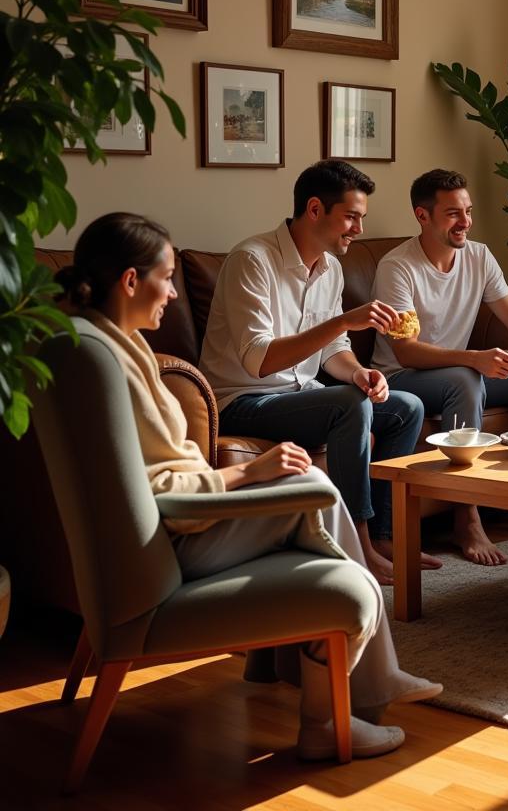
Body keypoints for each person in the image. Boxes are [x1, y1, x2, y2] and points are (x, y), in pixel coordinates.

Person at [55, 212, 443, 760]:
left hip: (160, 530)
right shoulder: (114, 359)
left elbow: (147, 477)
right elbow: (166, 485)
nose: (170, 292)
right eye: (166, 278)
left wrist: (353, 372)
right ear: (130, 282)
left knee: (312, 489)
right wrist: (248, 473)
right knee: (315, 490)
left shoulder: (104, 346)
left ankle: (334, 688)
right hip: (175, 537)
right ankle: (340, 707)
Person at [199, 160, 438, 586]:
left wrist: (361, 374)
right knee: (348, 406)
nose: (358, 229)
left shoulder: (330, 268)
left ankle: (383, 537)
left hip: (299, 393)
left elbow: (333, 351)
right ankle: (356, 547)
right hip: (242, 400)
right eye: (351, 217)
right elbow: (260, 359)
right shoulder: (251, 261)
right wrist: (344, 322)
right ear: (314, 209)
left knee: (405, 406)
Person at [370, 169, 508, 566]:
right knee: (466, 377)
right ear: (422, 216)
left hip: (461, 377)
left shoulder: (478, 256)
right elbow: (405, 351)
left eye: (468, 212)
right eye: (453, 214)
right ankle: (466, 516)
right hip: (403, 379)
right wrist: (474, 358)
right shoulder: (398, 268)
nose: (466, 222)